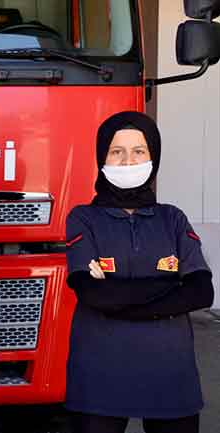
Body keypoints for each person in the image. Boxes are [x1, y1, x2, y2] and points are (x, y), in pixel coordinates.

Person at [65, 111, 214, 433]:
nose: (128, 161)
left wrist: (118, 295)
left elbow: (202, 292)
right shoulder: (82, 218)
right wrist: (170, 288)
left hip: (171, 374)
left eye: (139, 151)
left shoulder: (173, 218)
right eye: (116, 152)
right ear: (102, 157)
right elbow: (92, 293)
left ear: (153, 157)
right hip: (99, 374)